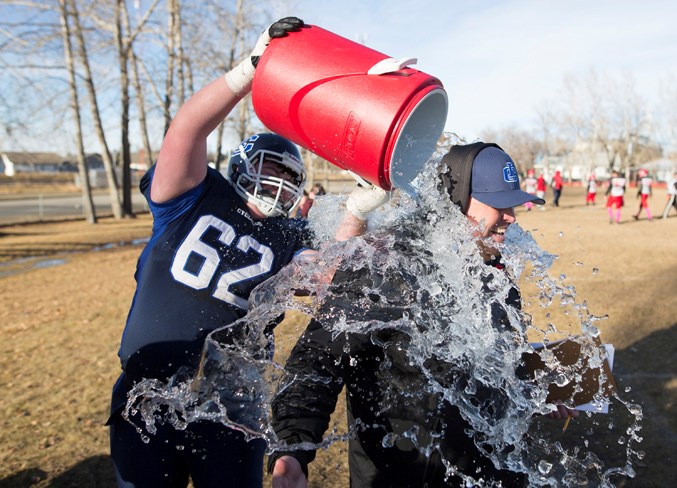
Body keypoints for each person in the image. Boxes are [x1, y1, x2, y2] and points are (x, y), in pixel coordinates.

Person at [268, 143, 576, 487]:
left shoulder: (494, 270)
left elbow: (496, 357)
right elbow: (318, 358)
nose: (511, 217)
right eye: (498, 204)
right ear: (455, 202)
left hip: (483, 470)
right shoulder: (387, 264)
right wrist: (292, 449)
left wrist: (531, 392)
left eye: (513, 204)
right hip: (403, 472)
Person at [107, 17, 311, 488]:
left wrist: (359, 207)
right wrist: (248, 71)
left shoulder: (290, 235)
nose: (277, 182)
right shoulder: (194, 195)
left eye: (286, 175)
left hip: (233, 405)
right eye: (268, 168)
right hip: (149, 392)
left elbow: (329, 276)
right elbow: (187, 129)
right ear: (241, 165)